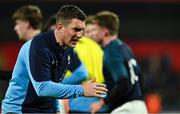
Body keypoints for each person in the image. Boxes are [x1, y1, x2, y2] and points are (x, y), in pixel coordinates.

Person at [2, 5, 107, 113]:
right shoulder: (39, 46)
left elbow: (56, 82)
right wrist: (82, 90)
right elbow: (42, 88)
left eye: (82, 30)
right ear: (60, 27)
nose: (80, 35)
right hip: (20, 110)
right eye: (76, 30)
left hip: (45, 110)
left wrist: (56, 109)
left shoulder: (68, 49)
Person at [43, 14, 109, 113]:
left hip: (78, 103)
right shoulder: (97, 47)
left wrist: (54, 86)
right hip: (100, 102)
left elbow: (81, 74)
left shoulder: (69, 47)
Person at [90, 11, 147, 114]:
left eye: (95, 29)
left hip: (125, 109)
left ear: (105, 32)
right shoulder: (125, 48)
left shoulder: (111, 51)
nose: (93, 33)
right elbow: (140, 77)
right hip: (140, 106)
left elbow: (123, 81)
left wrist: (102, 102)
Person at [0, 4, 43, 111]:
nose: (15, 28)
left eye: (17, 23)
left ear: (27, 24)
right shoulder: (42, 43)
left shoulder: (36, 46)